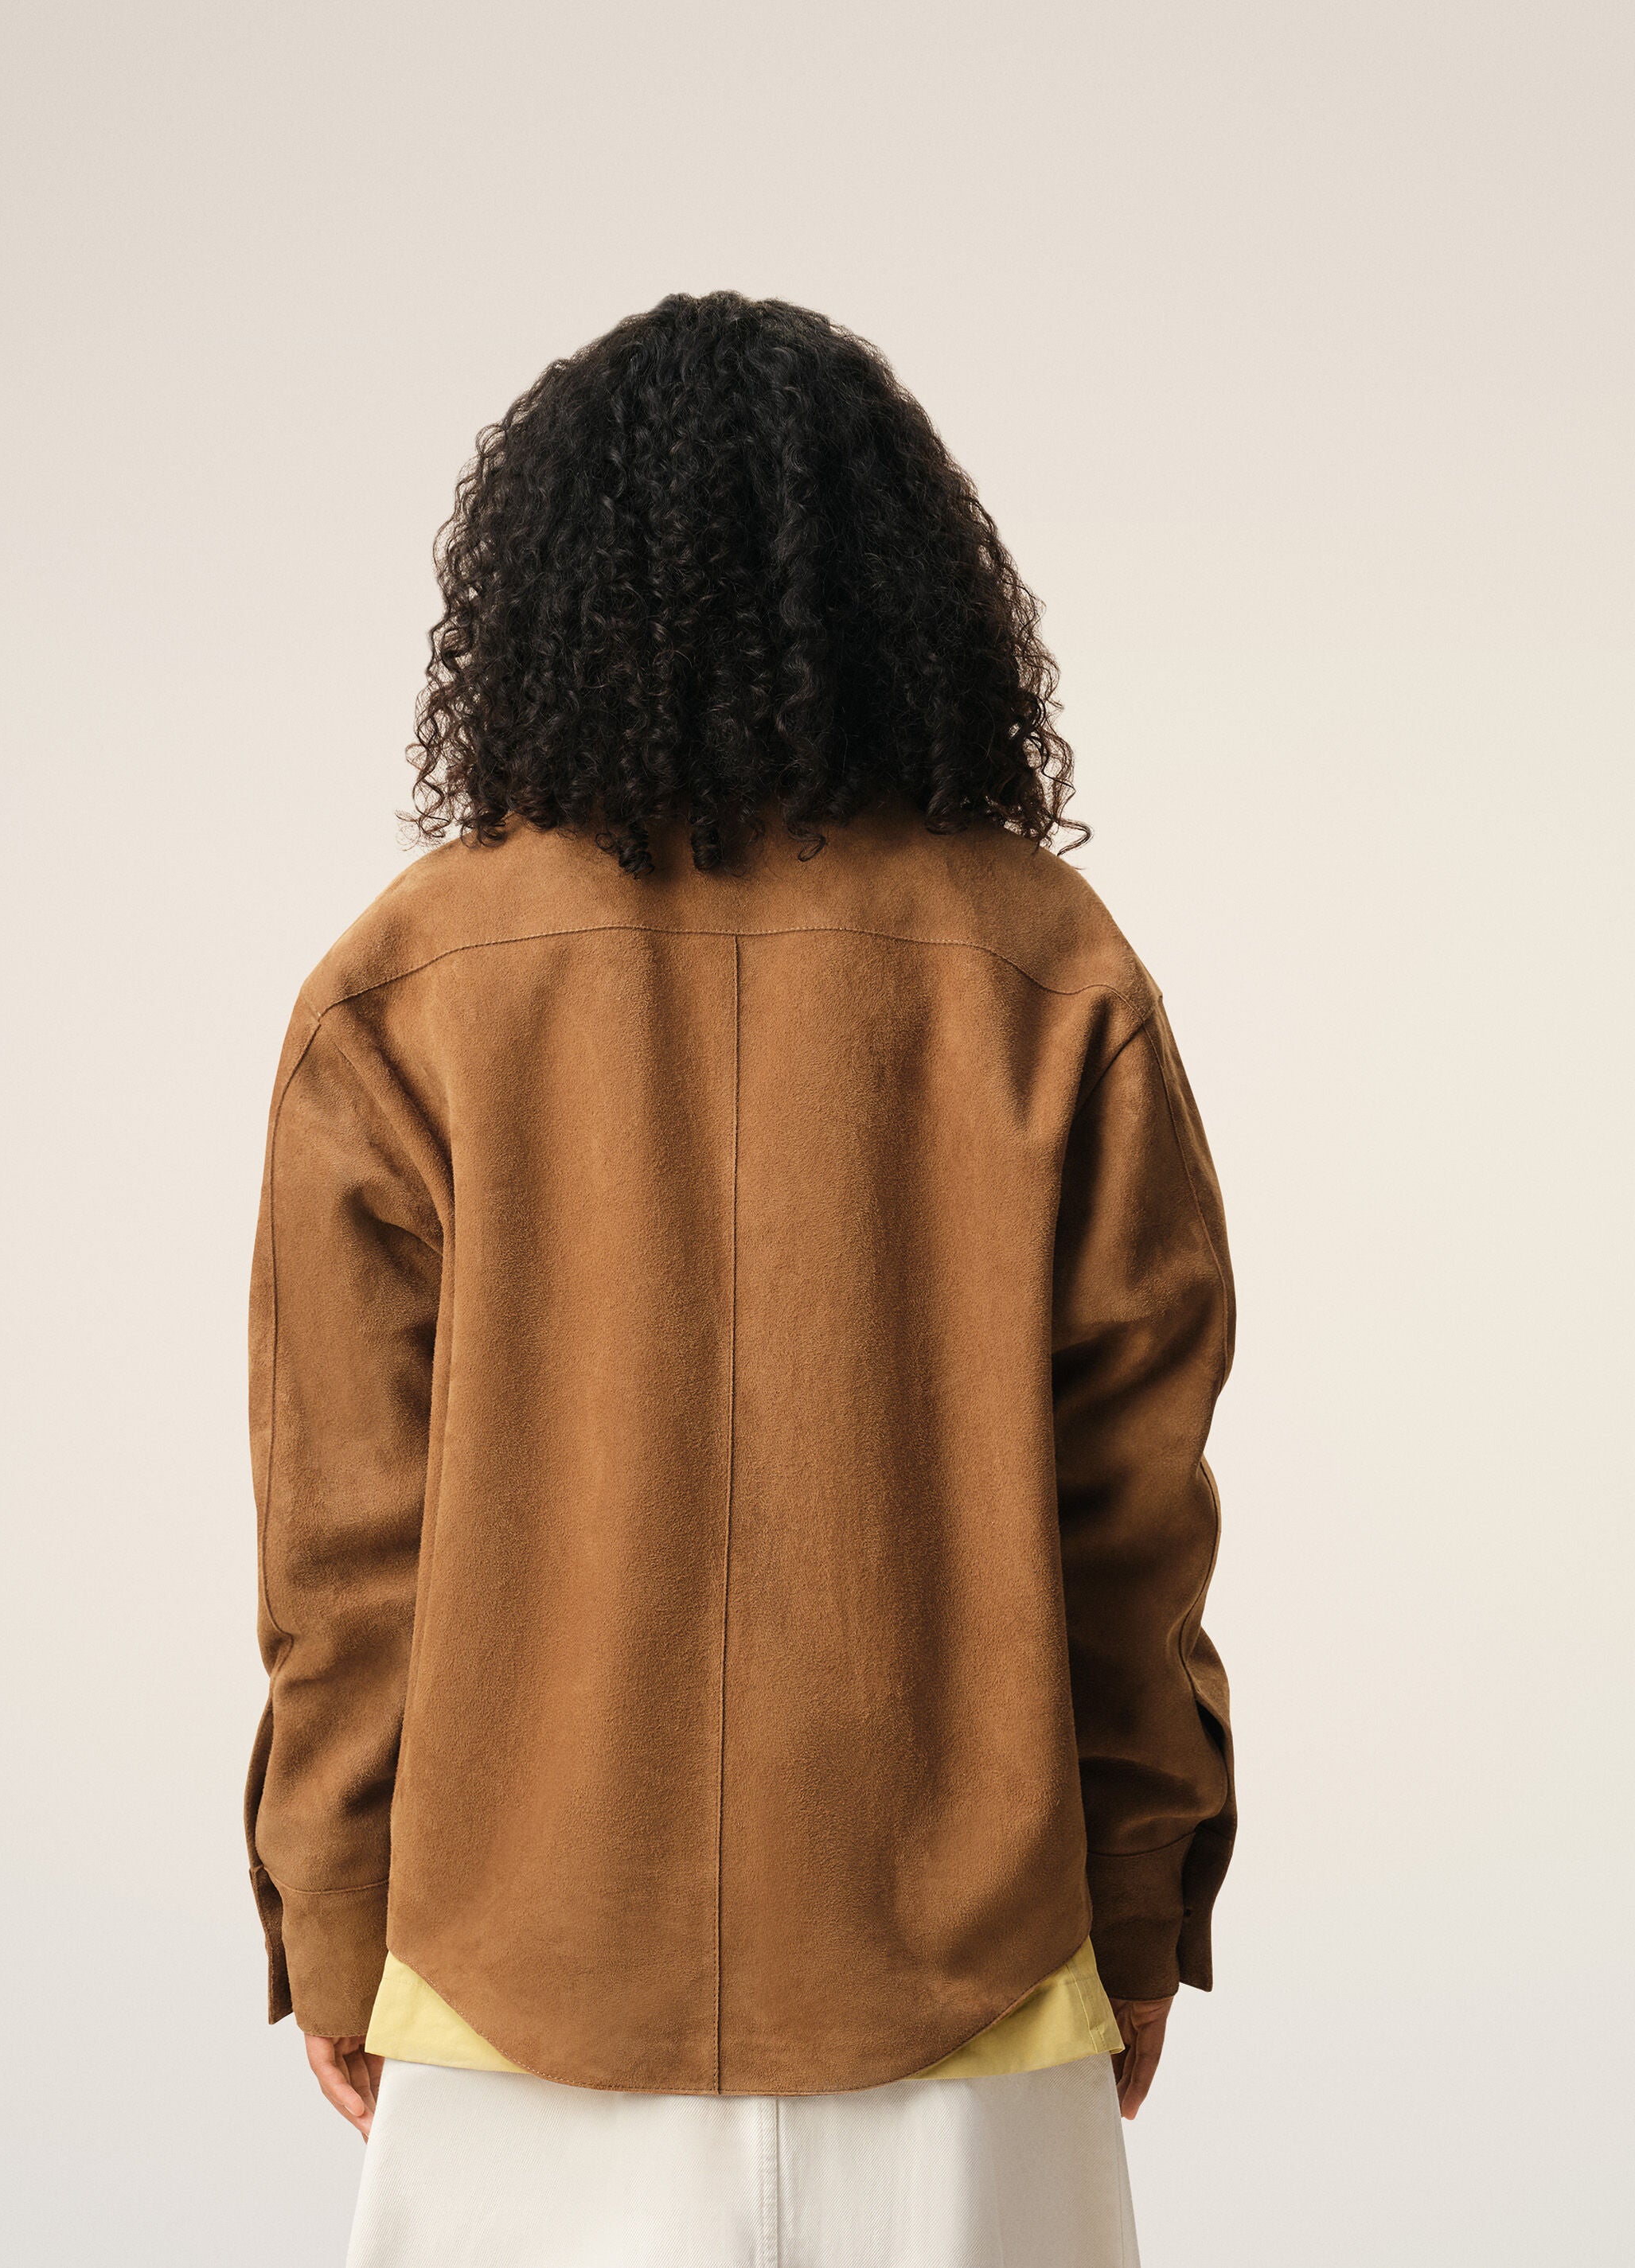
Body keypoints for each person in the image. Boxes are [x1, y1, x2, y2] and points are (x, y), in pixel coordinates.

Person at [244, 291, 1235, 2268]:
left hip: (519, 1981)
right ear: (907, 597)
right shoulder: (1048, 970)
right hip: (969, 1983)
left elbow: (346, 1548)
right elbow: (1135, 1519)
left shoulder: (407, 985)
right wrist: (1140, 1904)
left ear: (536, 599)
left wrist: (333, 1914)